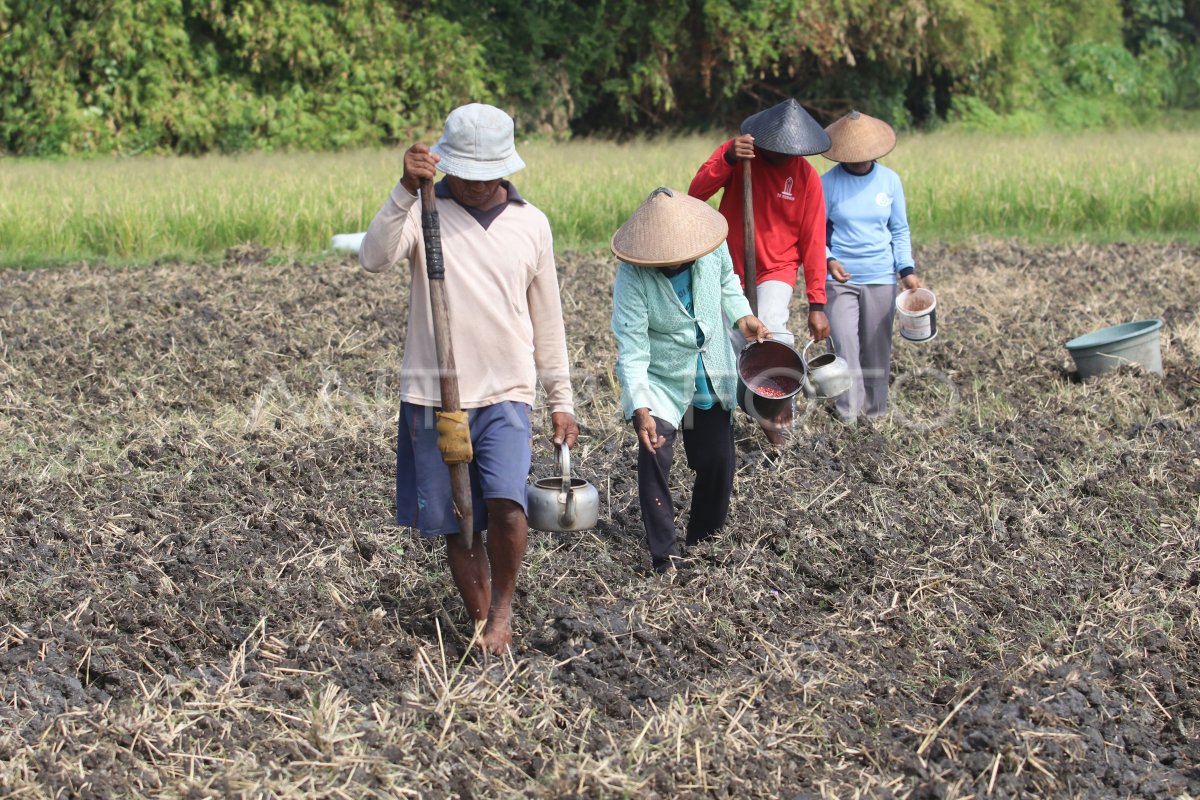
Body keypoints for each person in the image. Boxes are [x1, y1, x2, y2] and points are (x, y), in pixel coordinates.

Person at [359, 103, 578, 654]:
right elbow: (373, 258)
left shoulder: (531, 224)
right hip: (434, 396)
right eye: (466, 174)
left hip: (506, 393)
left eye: (487, 174)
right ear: (446, 164)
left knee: (507, 504)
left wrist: (561, 398)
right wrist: (404, 190)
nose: (477, 185)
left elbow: (548, 319)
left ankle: (502, 609)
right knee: (461, 521)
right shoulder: (423, 211)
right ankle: (483, 625)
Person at [610, 187, 769, 574]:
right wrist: (641, 408)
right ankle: (664, 555)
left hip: (710, 369)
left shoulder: (710, 248)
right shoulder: (634, 276)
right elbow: (632, 347)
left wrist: (742, 316)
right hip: (661, 377)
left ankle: (704, 540)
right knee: (655, 454)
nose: (674, 262)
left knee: (716, 461)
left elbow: (728, 281)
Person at [688, 98, 832, 445]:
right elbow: (695, 194)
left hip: (777, 269)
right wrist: (728, 160)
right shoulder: (738, 154)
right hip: (727, 267)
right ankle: (727, 413)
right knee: (724, 341)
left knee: (773, 332)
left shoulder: (807, 178)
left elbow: (814, 241)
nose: (782, 155)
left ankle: (775, 412)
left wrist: (817, 303)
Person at [821, 109, 925, 423]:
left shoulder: (890, 181)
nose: (858, 160)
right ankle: (848, 415)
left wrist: (906, 270)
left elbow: (899, 229)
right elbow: (815, 233)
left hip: (881, 276)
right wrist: (829, 259)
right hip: (840, 279)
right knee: (844, 345)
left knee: (876, 349)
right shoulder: (827, 184)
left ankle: (875, 414)